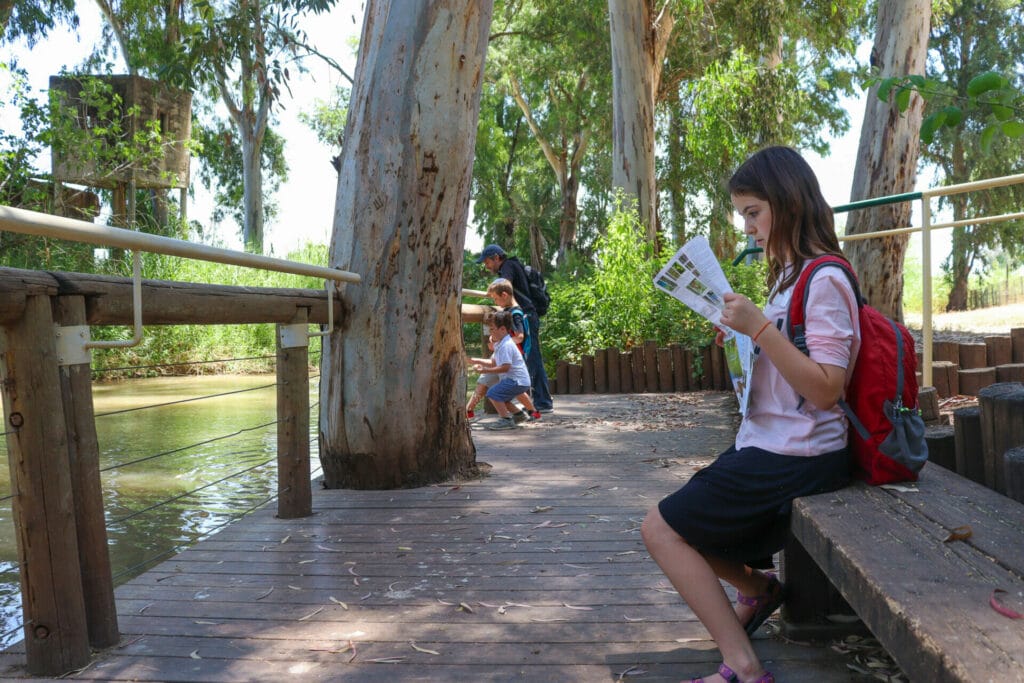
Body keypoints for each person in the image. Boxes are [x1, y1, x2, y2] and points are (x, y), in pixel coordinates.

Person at [640, 146, 860, 683]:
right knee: (680, 521)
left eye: (753, 213)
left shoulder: (825, 279)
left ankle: (743, 665)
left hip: (801, 452)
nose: (749, 228)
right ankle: (760, 589)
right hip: (770, 443)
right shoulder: (788, 278)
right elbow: (787, 363)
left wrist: (760, 329)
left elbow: (829, 388)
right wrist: (748, 339)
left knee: (661, 530)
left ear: (787, 202)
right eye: (743, 216)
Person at [476, 244, 554, 412]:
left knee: (532, 359)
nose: (486, 266)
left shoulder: (508, 266)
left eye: (487, 262)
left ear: (497, 257)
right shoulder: (513, 265)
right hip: (526, 315)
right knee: (529, 359)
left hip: (524, 316)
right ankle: (538, 402)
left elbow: (504, 285)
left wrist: (492, 292)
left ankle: (543, 403)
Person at [469, 311, 535, 431]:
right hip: (518, 381)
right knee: (501, 397)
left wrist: (485, 370)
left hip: (516, 380)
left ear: (503, 329)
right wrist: (475, 361)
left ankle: (506, 420)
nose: (490, 332)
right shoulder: (501, 343)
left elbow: (505, 367)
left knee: (492, 393)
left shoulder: (506, 345)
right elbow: (494, 363)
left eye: (492, 329)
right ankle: (519, 415)